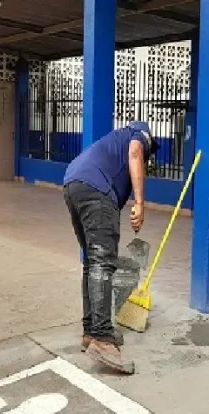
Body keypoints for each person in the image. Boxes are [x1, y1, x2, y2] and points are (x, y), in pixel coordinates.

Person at [63, 122, 158, 373]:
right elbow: (136, 153)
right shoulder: (140, 134)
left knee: (92, 263)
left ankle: (90, 331)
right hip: (95, 190)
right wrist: (140, 202)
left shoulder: (111, 142)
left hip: (73, 183)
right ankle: (103, 339)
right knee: (102, 263)